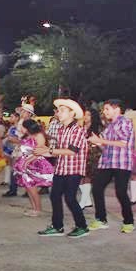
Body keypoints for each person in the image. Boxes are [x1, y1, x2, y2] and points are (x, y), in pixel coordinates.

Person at [34, 99, 89, 238]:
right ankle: (57, 226)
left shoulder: (77, 130)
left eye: (63, 110)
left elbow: (72, 151)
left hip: (74, 169)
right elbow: (58, 150)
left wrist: (49, 150)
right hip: (61, 168)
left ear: (72, 113)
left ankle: (82, 226)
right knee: (55, 196)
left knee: (70, 198)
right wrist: (41, 151)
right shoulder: (61, 129)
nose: (59, 112)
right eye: (58, 110)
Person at [88, 99, 136, 234]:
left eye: (107, 109)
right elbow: (105, 144)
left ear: (117, 109)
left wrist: (100, 140)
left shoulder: (125, 122)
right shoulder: (109, 126)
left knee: (120, 192)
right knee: (97, 188)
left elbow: (123, 143)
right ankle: (101, 219)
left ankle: (128, 221)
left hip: (122, 162)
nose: (104, 111)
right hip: (107, 162)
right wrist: (97, 143)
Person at [13, 119, 53, 216]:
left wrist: (27, 161)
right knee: (28, 187)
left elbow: (40, 150)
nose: (21, 128)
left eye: (23, 126)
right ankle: (34, 208)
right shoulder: (27, 135)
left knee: (32, 188)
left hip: (34, 164)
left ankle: (38, 209)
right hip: (24, 163)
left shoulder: (39, 135)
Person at [2, 103, 34, 197]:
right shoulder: (21, 122)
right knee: (16, 169)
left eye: (24, 111)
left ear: (29, 113)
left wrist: (15, 140)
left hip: (26, 149)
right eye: (22, 111)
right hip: (19, 148)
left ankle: (27, 190)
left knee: (26, 170)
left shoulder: (30, 123)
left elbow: (29, 138)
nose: (21, 113)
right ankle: (14, 189)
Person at [79, 108, 102, 209]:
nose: (85, 117)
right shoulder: (82, 127)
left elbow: (101, 142)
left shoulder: (97, 128)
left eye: (88, 115)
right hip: (82, 155)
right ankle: (87, 201)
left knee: (87, 178)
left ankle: (83, 202)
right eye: (85, 114)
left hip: (93, 155)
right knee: (81, 178)